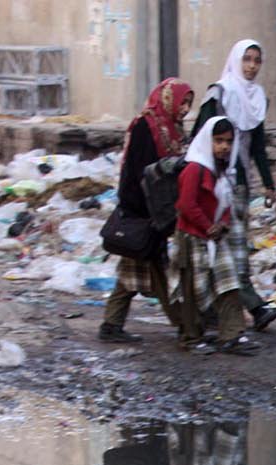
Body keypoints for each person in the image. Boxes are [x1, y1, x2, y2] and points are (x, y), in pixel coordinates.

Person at [192, 39, 276, 333]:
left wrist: (268, 185)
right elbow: (200, 137)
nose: (252, 66)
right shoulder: (219, 93)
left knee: (234, 249)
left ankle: (226, 310)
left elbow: (257, 146)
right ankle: (254, 308)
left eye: (257, 60)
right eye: (247, 59)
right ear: (236, 60)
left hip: (240, 185)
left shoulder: (257, 98)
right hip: (212, 183)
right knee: (224, 250)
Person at [101, 77, 193, 344]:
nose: (185, 108)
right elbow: (136, 170)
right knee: (158, 268)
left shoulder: (173, 128)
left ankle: (111, 323)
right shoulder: (147, 125)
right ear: (167, 98)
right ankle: (186, 325)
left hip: (158, 210)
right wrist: (144, 211)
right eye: (182, 102)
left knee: (133, 268)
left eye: (188, 103)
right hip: (143, 209)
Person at [171, 116, 258, 354]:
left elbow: (226, 201)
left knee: (228, 283)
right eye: (218, 141)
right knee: (191, 290)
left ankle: (231, 334)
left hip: (213, 236)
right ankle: (190, 338)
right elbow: (186, 205)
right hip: (192, 237)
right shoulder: (195, 168)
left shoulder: (222, 169)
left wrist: (223, 224)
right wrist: (208, 226)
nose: (224, 147)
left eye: (228, 142)